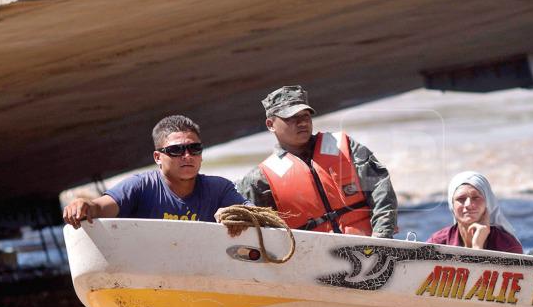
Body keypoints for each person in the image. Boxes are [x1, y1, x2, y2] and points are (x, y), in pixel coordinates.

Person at [238, 86, 397, 238]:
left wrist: (381, 236)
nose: (302, 123)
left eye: (305, 116)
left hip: (368, 247)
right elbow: (252, 233)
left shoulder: (344, 146)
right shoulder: (259, 180)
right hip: (312, 256)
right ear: (270, 125)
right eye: (291, 118)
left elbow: (380, 188)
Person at [63, 115, 247, 227]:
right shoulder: (139, 186)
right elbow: (99, 208)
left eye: (195, 148)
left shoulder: (220, 189)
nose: (187, 156)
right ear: (157, 157)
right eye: (176, 150)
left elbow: (255, 215)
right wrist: (83, 205)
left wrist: (238, 216)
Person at [427, 171, 523, 253]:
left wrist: (477, 246)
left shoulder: (509, 248)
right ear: (452, 205)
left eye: (476, 198)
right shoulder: (437, 244)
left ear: (488, 202)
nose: (468, 204)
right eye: (461, 198)